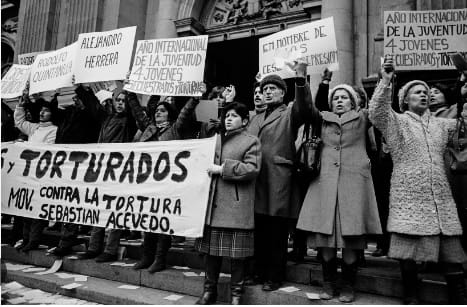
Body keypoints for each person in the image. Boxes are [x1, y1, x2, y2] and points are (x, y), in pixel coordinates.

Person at [368, 58, 467, 304]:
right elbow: (377, 112)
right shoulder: (397, 122)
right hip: (408, 194)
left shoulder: (443, 125)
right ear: (404, 100)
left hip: (440, 197)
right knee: (408, 249)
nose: (423, 95)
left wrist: (465, 92)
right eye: (417, 92)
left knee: (452, 250)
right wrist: (386, 80)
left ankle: (459, 297)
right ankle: (410, 295)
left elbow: (465, 129)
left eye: (425, 92)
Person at [296, 78, 382, 303]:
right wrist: (304, 80)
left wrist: (386, 80)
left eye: (345, 97)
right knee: (325, 239)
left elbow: (380, 107)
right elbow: (305, 106)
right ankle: (328, 284)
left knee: (351, 240)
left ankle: (348, 286)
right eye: (336, 98)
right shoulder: (321, 119)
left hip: (353, 186)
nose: (340, 101)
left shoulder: (363, 118)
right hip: (325, 185)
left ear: (353, 102)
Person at [128, 85, 205, 273]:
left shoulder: (175, 128)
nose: (158, 113)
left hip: (169, 183)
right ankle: (147, 257)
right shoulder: (149, 129)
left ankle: (160, 259)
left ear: (169, 114)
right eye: (156, 111)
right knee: (148, 221)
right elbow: (137, 111)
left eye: (162, 111)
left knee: (164, 221)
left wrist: (195, 97)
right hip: (149, 182)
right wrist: (130, 91)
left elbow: (186, 113)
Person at [247, 61, 309, 291]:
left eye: (273, 89)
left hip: (278, 180)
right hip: (257, 180)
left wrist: (300, 79)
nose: (268, 92)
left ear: (283, 92)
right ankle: (258, 272)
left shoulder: (289, 111)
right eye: (265, 89)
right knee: (259, 230)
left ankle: (275, 276)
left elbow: (304, 107)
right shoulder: (255, 118)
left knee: (276, 233)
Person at [195, 102, 261, 305]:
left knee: (237, 258)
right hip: (213, 206)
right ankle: (209, 291)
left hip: (235, 207)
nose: (228, 119)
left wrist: (223, 169)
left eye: (234, 116)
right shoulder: (214, 139)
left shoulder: (252, 141)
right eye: (226, 116)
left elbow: (252, 169)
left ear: (245, 120)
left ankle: (236, 296)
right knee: (211, 254)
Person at [78, 89, 137, 262]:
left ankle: (110, 249)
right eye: (118, 100)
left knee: (114, 210)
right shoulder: (107, 118)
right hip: (102, 169)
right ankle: (94, 247)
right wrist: (82, 88)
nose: (120, 103)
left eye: (123, 101)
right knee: (98, 208)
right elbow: (93, 106)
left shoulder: (130, 121)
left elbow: (137, 115)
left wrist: (131, 93)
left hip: (118, 171)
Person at [51, 82, 103, 257]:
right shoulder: (69, 113)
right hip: (65, 164)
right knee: (68, 202)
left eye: (78, 98)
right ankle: (67, 238)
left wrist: (83, 89)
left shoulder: (92, 116)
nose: (75, 100)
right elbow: (52, 115)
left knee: (76, 202)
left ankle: (72, 238)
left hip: (83, 164)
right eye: (74, 97)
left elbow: (93, 108)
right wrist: (54, 97)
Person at [13, 87, 58, 252]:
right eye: (41, 111)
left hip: (40, 175)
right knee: (26, 208)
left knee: (36, 211)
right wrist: (21, 105)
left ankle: (34, 240)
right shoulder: (34, 128)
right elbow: (19, 122)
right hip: (28, 173)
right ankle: (26, 239)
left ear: (51, 114)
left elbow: (47, 149)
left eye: (46, 111)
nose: (42, 113)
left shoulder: (53, 130)